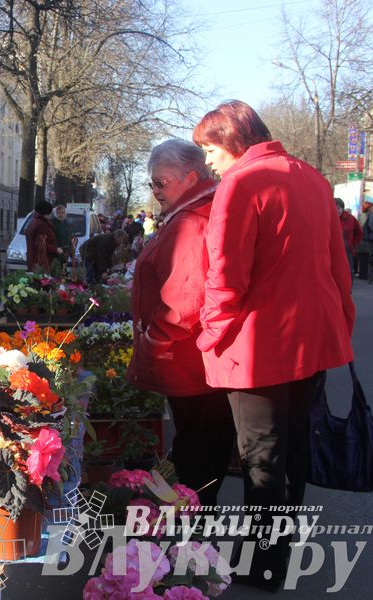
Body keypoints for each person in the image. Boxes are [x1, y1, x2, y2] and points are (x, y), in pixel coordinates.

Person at [193, 100, 354, 590]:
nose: (208, 161)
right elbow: (337, 267)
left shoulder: (241, 184)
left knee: (262, 458)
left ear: (233, 139)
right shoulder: (312, 178)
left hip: (258, 347)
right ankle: (275, 559)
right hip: (312, 339)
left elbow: (226, 277)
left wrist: (209, 334)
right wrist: (340, 324)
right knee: (295, 451)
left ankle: (261, 567)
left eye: (210, 148)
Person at [126, 139, 233, 507]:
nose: (155, 192)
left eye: (161, 183)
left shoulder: (190, 222)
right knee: (199, 450)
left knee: (196, 461)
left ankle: (192, 547)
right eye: (152, 184)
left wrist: (153, 344)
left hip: (190, 363)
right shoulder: (193, 213)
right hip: (194, 363)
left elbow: (183, 300)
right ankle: (192, 540)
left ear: (190, 177)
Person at [25, 200, 63, 271]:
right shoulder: (42, 225)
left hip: (34, 259)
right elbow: (40, 244)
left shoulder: (34, 221)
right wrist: (56, 249)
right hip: (41, 261)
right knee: (42, 280)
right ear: (47, 213)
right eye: (50, 213)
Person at [335, 197, 362, 273]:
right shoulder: (328, 218)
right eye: (334, 208)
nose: (337, 210)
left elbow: (359, 233)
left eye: (339, 208)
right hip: (332, 250)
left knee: (347, 272)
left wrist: (353, 245)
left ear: (342, 208)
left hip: (346, 250)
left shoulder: (350, 219)